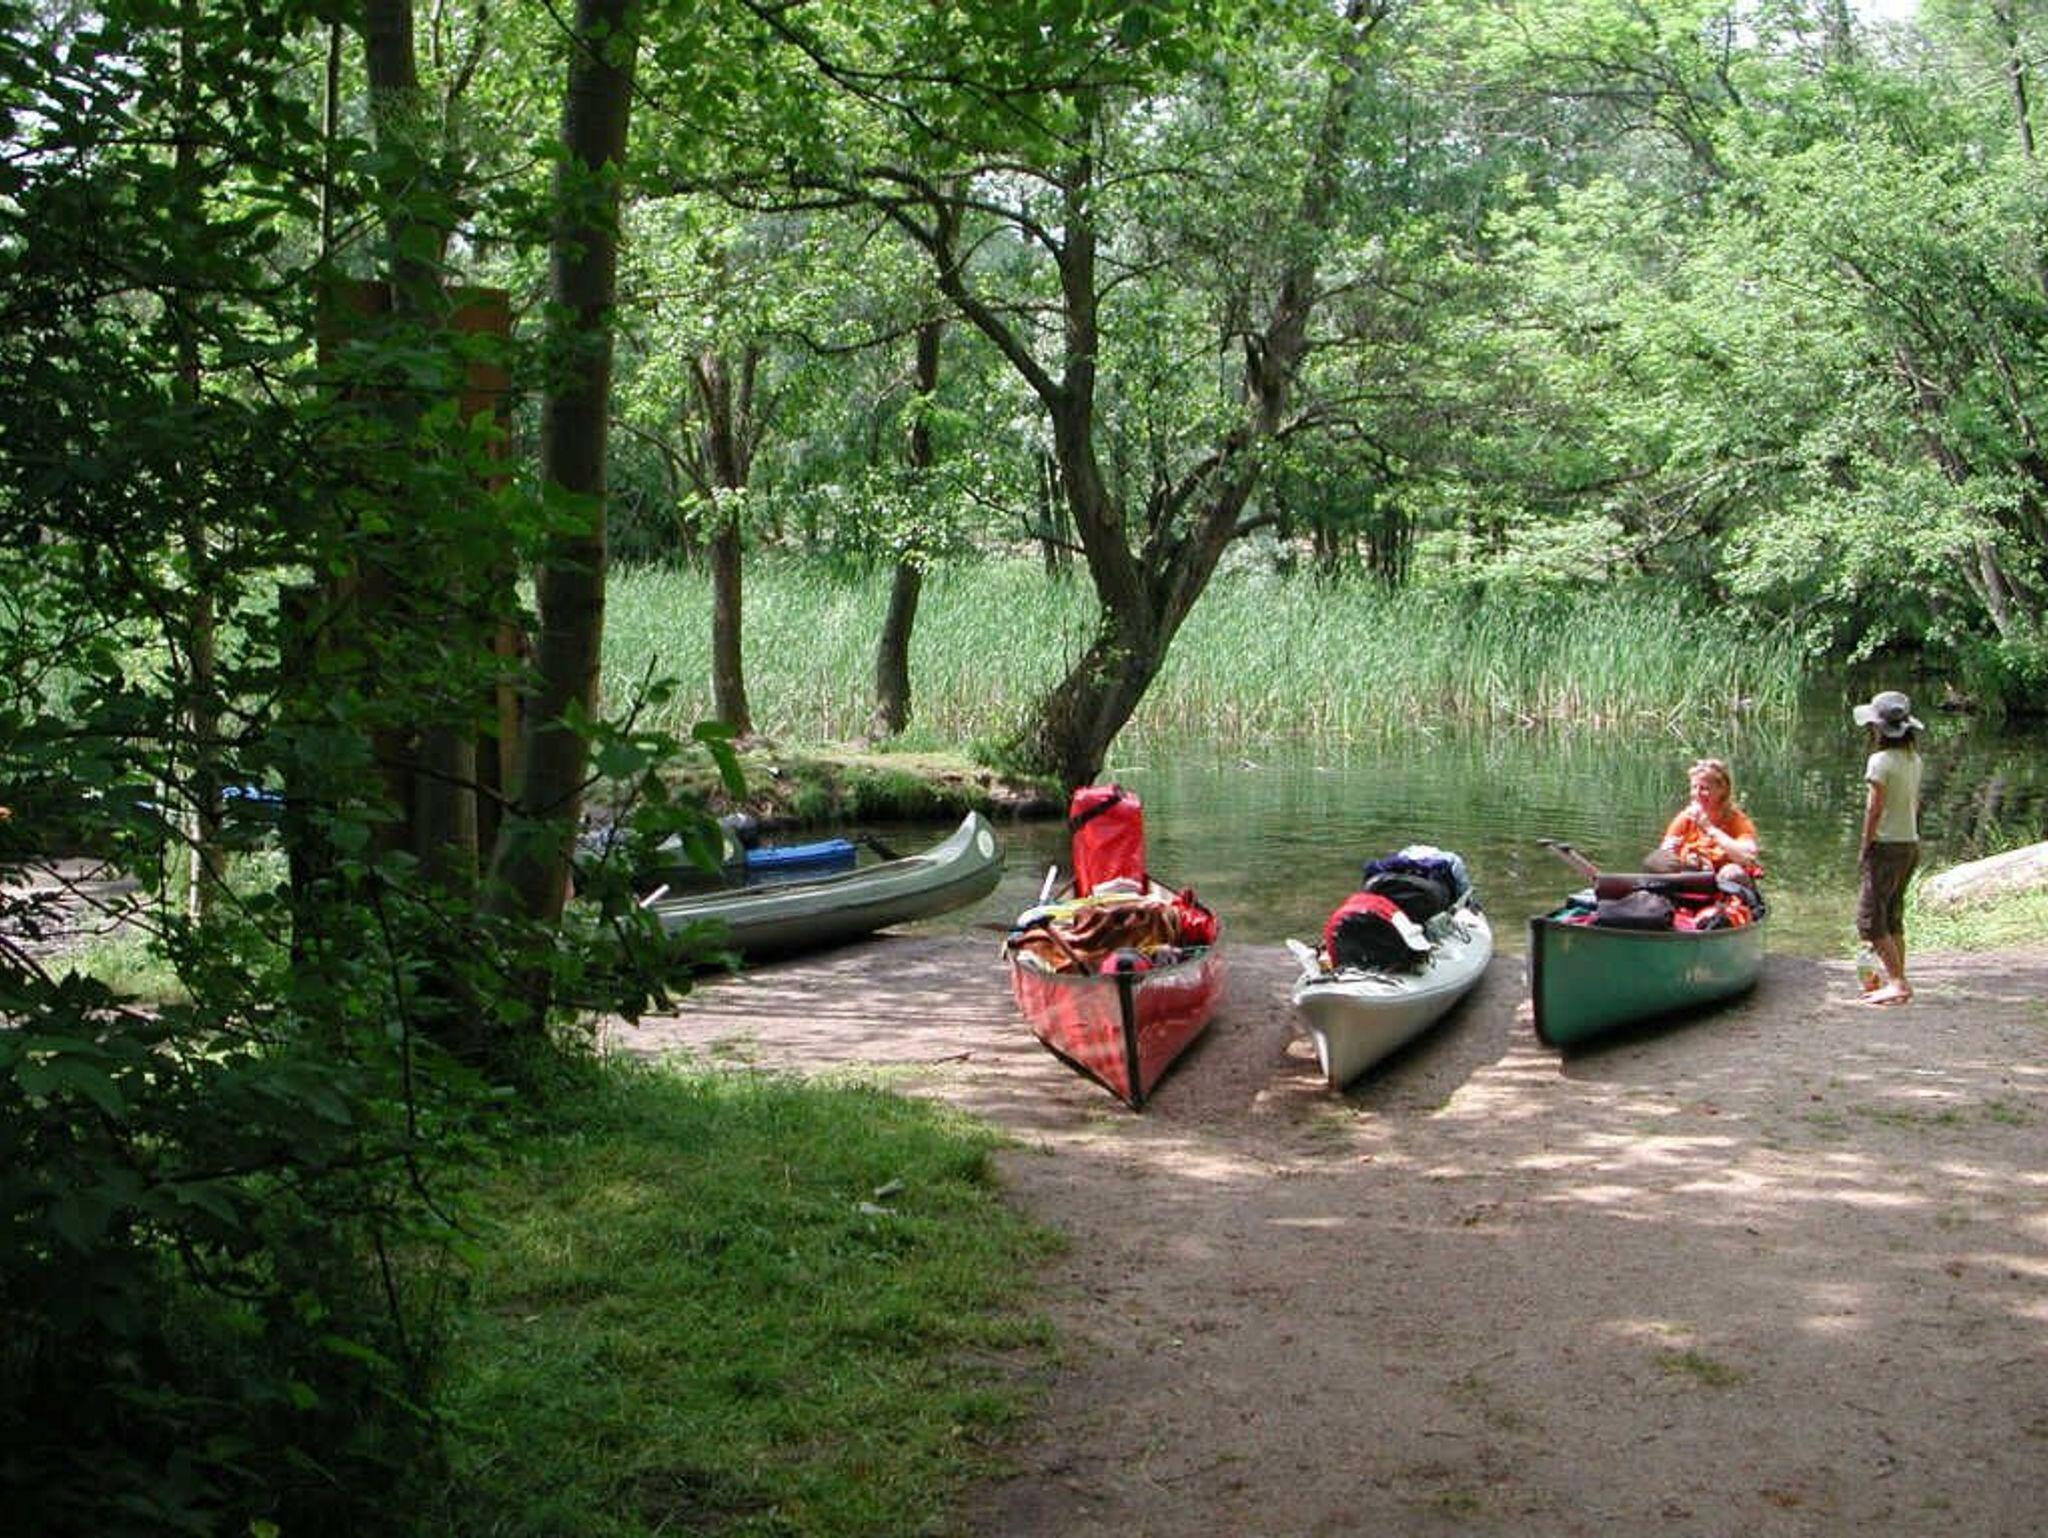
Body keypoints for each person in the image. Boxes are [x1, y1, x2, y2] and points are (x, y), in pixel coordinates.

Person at [1853, 689, 1924, 1006]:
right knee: (1893, 915)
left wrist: (1865, 844)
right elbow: (1913, 803)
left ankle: (1896, 982)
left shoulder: (1879, 761)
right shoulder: (1914, 760)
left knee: (1869, 919)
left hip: (1885, 845)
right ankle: (1899, 977)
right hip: (1910, 843)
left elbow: (1874, 808)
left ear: (1878, 729)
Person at [1646, 757, 1760, 884]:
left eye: (1704, 788)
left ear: (1722, 790)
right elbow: (1664, 855)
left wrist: (1708, 828)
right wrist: (1668, 850)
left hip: (1725, 881)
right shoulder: (1685, 818)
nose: (1697, 793)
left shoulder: (1737, 821)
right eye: (1694, 787)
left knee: (1732, 872)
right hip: (1691, 876)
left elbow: (1748, 857)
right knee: (1654, 860)